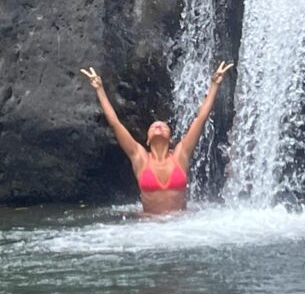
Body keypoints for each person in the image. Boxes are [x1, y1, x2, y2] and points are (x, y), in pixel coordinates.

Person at [81, 62, 234, 215]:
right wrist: (99, 89)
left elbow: (200, 119)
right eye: (153, 126)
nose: (158, 127)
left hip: (180, 227)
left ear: (171, 139)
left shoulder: (181, 155)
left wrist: (214, 85)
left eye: (163, 126)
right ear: (147, 140)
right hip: (149, 227)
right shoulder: (139, 157)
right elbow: (114, 123)